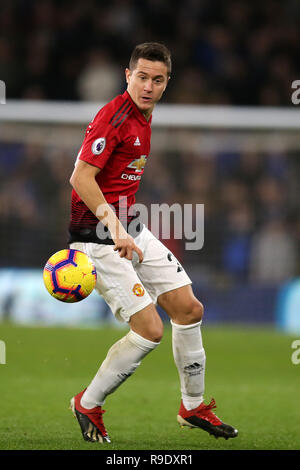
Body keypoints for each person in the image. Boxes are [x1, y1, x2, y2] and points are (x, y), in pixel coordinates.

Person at [68, 42, 238, 443]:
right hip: (98, 238)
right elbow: (80, 178)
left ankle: (193, 406)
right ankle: (87, 403)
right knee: (149, 330)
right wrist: (116, 228)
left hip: (130, 227)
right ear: (127, 76)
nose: (147, 86)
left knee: (188, 309)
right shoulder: (114, 118)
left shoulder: (145, 114)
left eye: (157, 79)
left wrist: (126, 227)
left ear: (165, 84)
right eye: (141, 77)